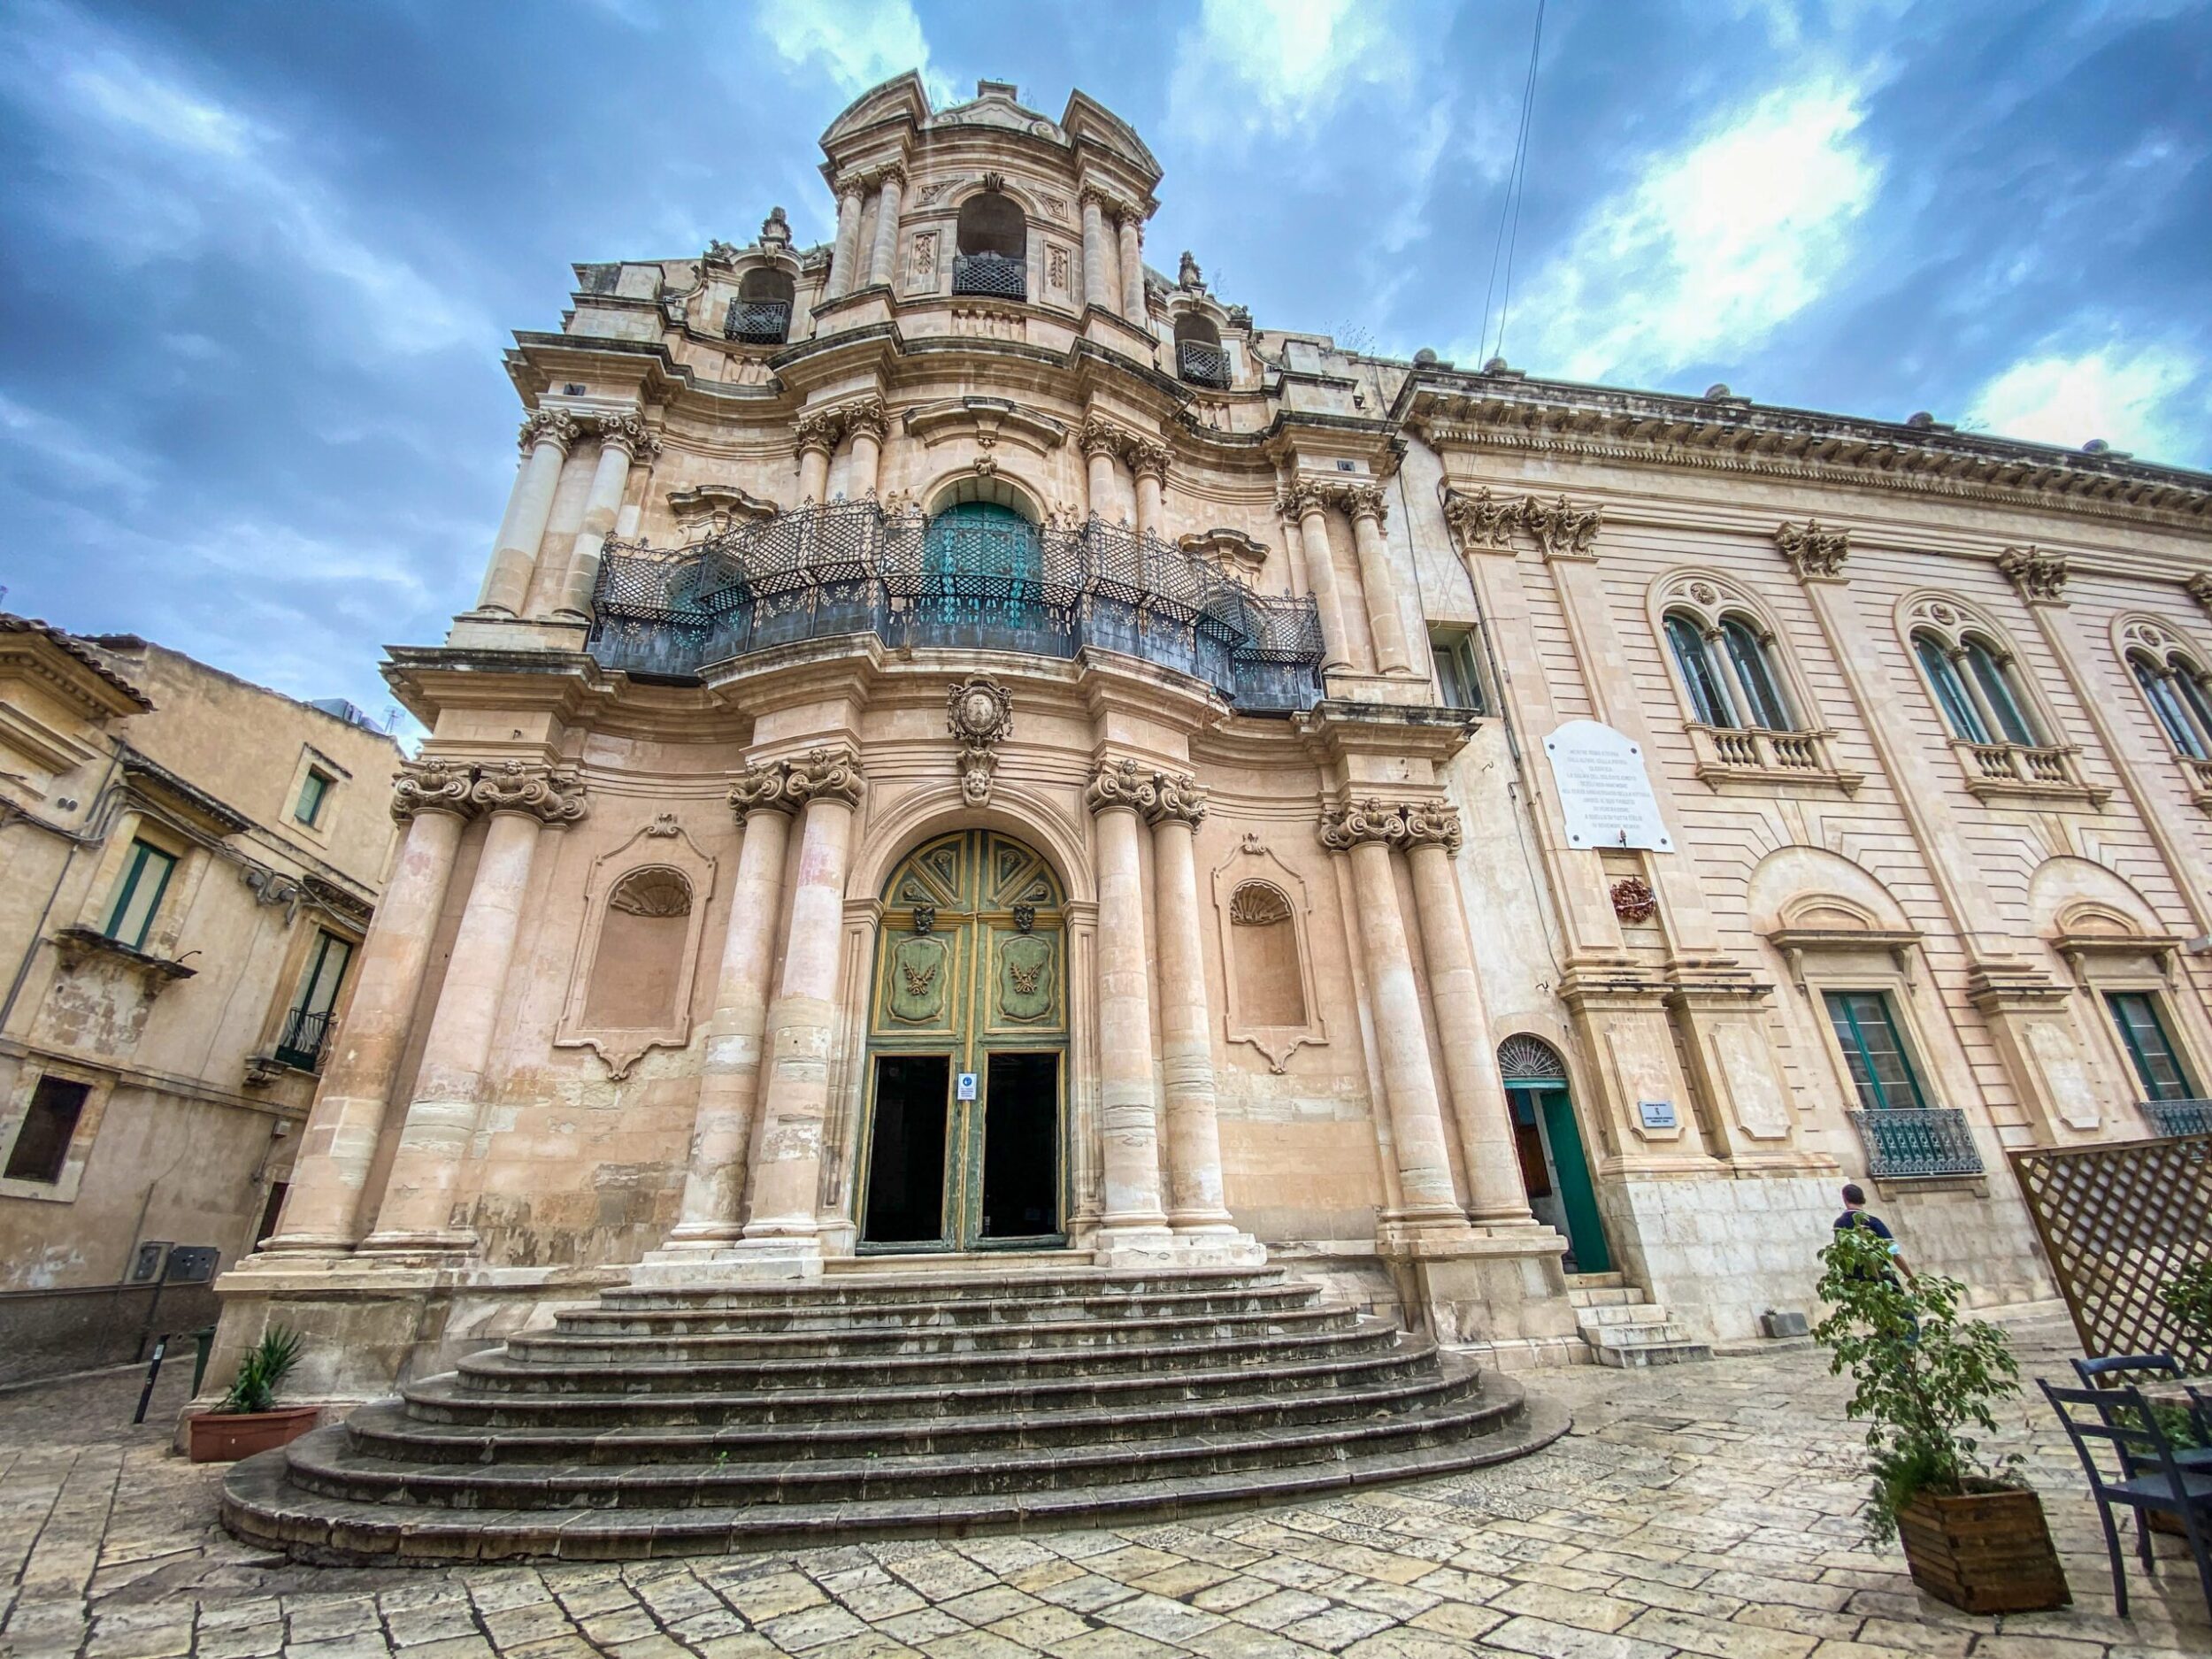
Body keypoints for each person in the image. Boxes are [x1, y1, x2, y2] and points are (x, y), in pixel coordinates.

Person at [1834, 1182, 1915, 1284]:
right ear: (1862, 1199)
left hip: (1854, 1282)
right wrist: (1911, 1278)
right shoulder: (1872, 1221)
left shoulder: (1839, 1224)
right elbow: (1894, 1253)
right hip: (1882, 1279)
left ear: (1845, 1199)